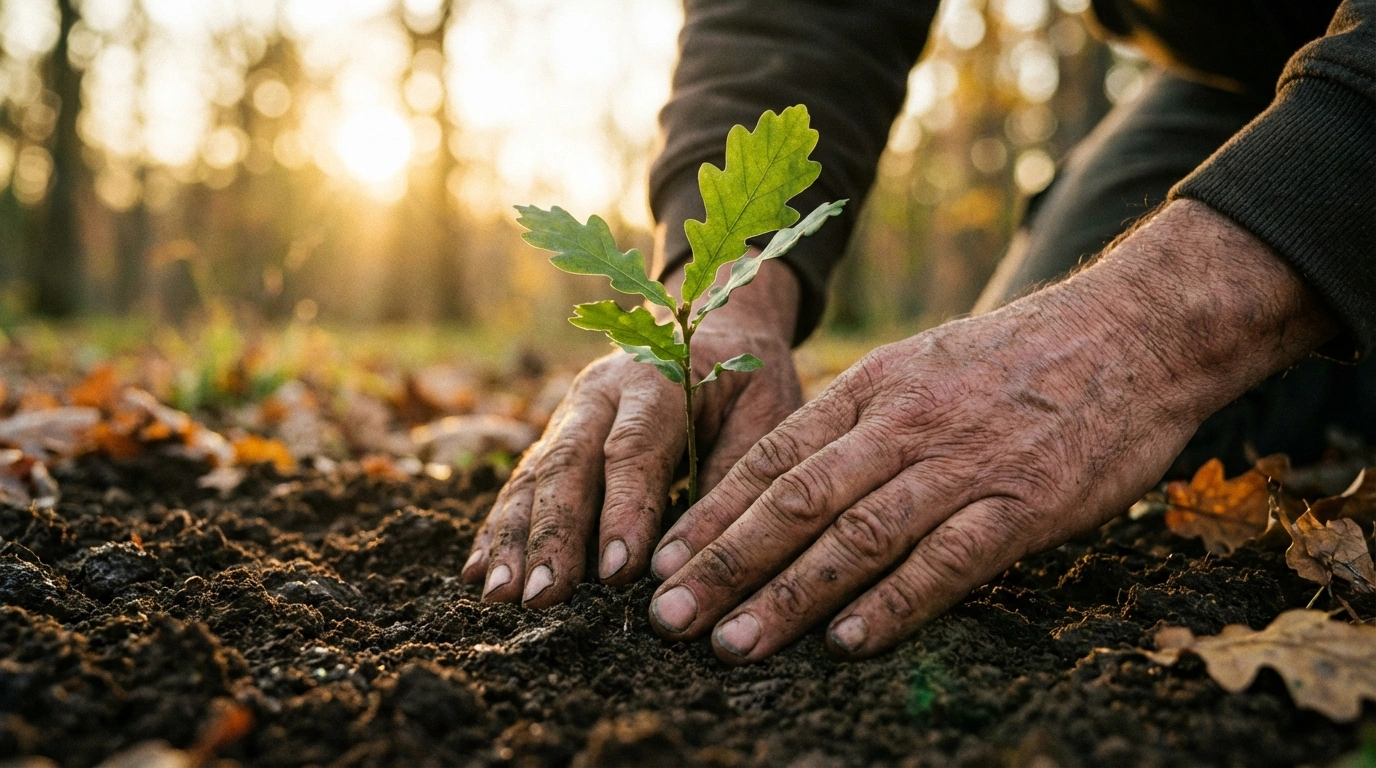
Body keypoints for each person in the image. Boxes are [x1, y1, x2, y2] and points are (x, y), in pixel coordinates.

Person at [463, 0, 1376, 664]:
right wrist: (726, 287)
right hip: (1246, 63)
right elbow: (797, 19)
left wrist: (1148, 333)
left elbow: (1141, 336)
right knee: (1005, 462)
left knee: (1112, 380)